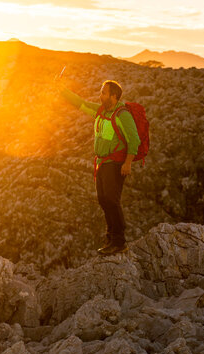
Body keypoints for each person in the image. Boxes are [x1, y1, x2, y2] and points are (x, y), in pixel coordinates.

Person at [59, 79, 140, 255]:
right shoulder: (101, 111)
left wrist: (128, 163)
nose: (100, 95)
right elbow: (80, 103)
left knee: (112, 200)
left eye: (103, 92)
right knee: (103, 200)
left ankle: (119, 241)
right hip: (102, 163)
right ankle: (110, 238)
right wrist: (62, 90)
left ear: (114, 96)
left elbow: (134, 140)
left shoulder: (122, 115)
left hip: (115, 164)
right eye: (101, 92)